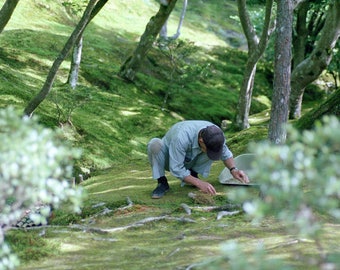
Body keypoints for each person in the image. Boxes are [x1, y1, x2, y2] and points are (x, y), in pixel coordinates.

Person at [147, 120, 249, 199]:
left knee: (208, 152)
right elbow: (176, 168)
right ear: (201, 140)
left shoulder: (216, 133)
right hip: (169, 158)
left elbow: (225, 153)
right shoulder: (181, 137)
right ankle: (162, 182)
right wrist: (200, 183)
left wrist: (233, 170)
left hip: (189, 159)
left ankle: (192, 175)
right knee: (154, 144)